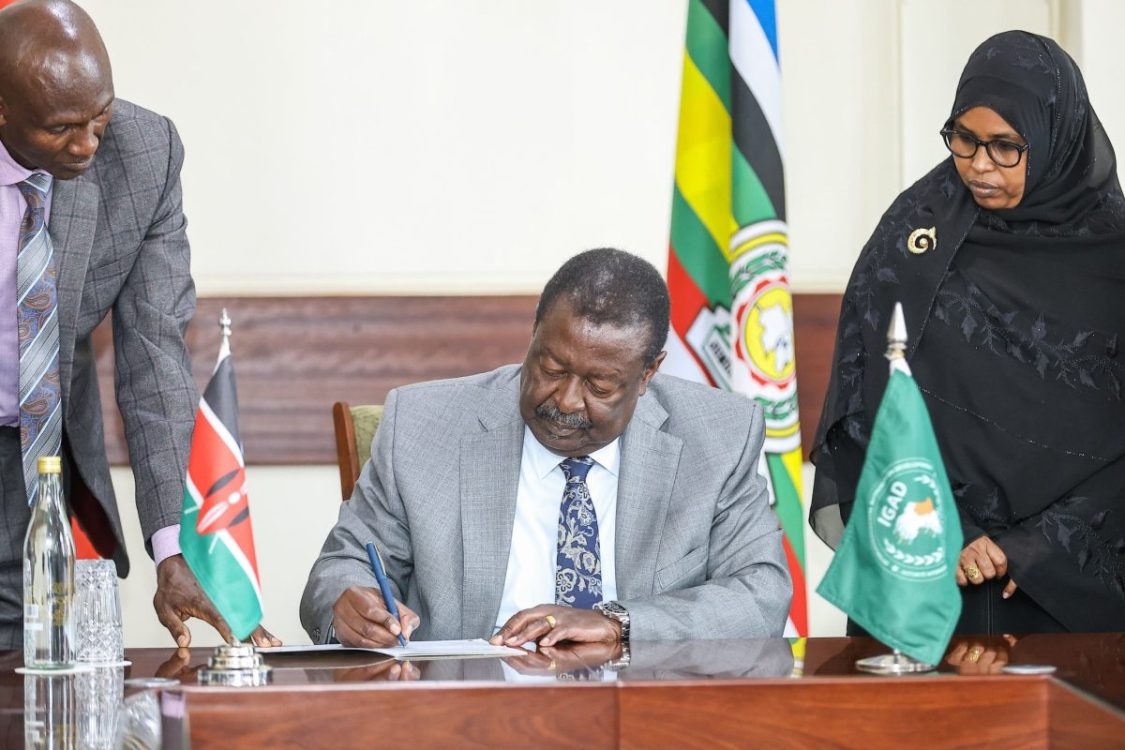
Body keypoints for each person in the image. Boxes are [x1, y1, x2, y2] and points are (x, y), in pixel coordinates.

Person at [301, 248, 791, 648]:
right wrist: (348, 601)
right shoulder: (423, 425)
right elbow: (341, 567)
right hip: (468, 718)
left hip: (646, 716)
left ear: (648, 375)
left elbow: (760, 594)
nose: (565, 400)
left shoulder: (719, 435)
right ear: (534, 335)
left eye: (599, 386)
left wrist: (618, 623)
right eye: (552, 369)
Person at [811, 30, 1125, 634]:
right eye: (964, 139)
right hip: (926, 559)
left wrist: (1033, 548)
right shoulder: (913, 237)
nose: (979, 166)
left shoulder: (1113, 260)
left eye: (1006, 147)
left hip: (1069, 593)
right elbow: (863, 402)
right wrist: (950, 529)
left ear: (1057, 141)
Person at [0, 0, 278, 647]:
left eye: (99, 116)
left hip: (32, 468)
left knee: (37, 681)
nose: (87, 145)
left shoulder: (144, 154)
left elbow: (154, 355)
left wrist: (172, 547)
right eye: (62, 128)